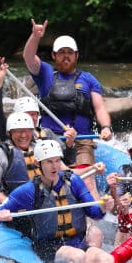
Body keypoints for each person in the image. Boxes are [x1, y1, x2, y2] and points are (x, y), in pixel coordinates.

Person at [0, 140, 116, 263]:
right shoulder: (29, 190)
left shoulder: (73, 181)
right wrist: (1, 214)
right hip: (49, 249)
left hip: (77, 243)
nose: (55, 166)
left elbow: (93, 212)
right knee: (77, 257)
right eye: (49, 162)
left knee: (107, 260)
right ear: (37, 164)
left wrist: (103, 207)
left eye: (57, 161)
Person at [22, 20, 113, 199]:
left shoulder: (89, 80)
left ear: (76, 55)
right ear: (54, 55)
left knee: (87, 182)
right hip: (50, 139)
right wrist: (35, 36)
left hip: (81, 141)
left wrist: (106, 127)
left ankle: (91, 222)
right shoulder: (45, 74)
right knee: (52, 181)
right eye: (61, 53)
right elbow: (29, 58)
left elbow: (99, 107)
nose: (66, 56)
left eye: (70, 53)